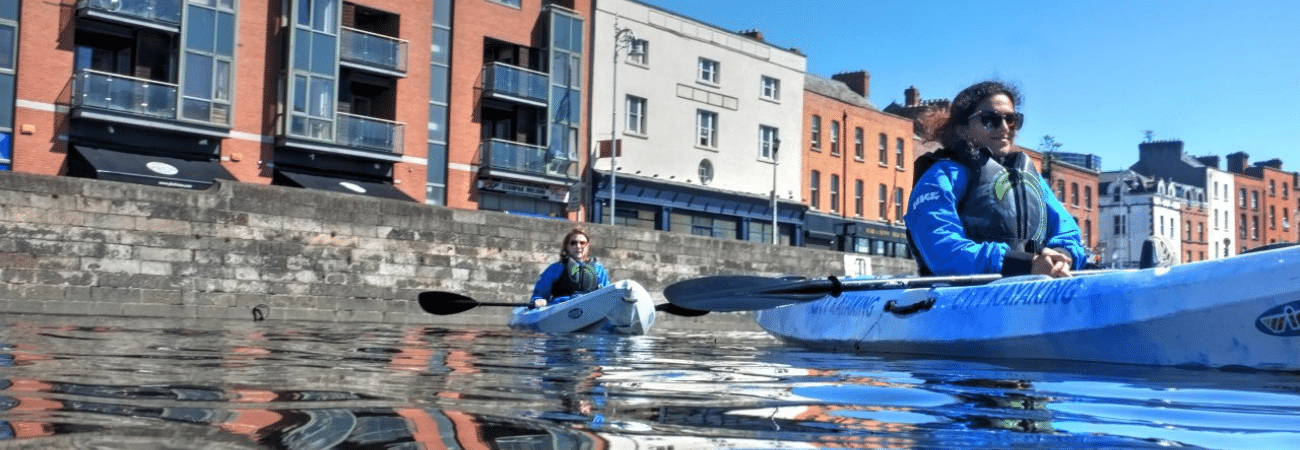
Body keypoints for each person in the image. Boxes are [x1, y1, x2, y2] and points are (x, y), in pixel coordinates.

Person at [904, 80, 1087, 278]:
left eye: (1012, 119)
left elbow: (1066, 231)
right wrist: (1023, 265)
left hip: (1033, 289)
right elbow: (943, 249)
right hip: (967, 297)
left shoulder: (1031, 179)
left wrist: (1061, 257)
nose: (1004, 128)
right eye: (990, 119)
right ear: (963, 129)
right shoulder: (941, 177)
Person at [529, 228, 610, 308]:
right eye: (573, 243)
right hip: (561, 309)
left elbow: (607, 294)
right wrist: (538, 299)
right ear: (567, 246)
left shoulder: (598, 269)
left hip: (590, 309)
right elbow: (539, 294)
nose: (578, 246)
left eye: (582, 243)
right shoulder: (555, 269)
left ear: (588, 246)